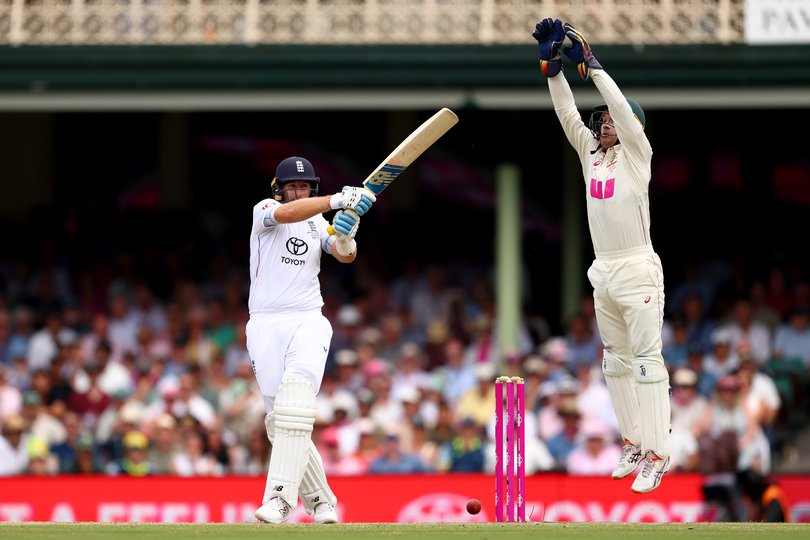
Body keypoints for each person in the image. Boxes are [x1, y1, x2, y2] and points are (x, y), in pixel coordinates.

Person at [533, 19, 671, 493]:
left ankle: (658, 453)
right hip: (603, 268)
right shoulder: (591, 154)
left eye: (612, 119)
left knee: (648, 361)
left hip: (637, 264)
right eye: (604, 120)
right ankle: (634, 442)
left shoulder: (638, 154)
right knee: (615, 360)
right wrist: (554, 71)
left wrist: (591, 65)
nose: (605, 123)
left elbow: (623, 114)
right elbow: (567, 115)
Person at [247, 156, 376, 524]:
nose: (298, 191)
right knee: (282, 421)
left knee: (295, 402)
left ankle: (278, 499)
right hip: (264, 324)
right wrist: (338, 200)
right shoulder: (267, 210)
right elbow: (290, 215)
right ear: (280, 189)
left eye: (304, 187)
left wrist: (346, 234)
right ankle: (322, 502)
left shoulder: (318, 222)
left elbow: (343, 255)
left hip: (307, 319)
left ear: (311, 188)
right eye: (292, 186)